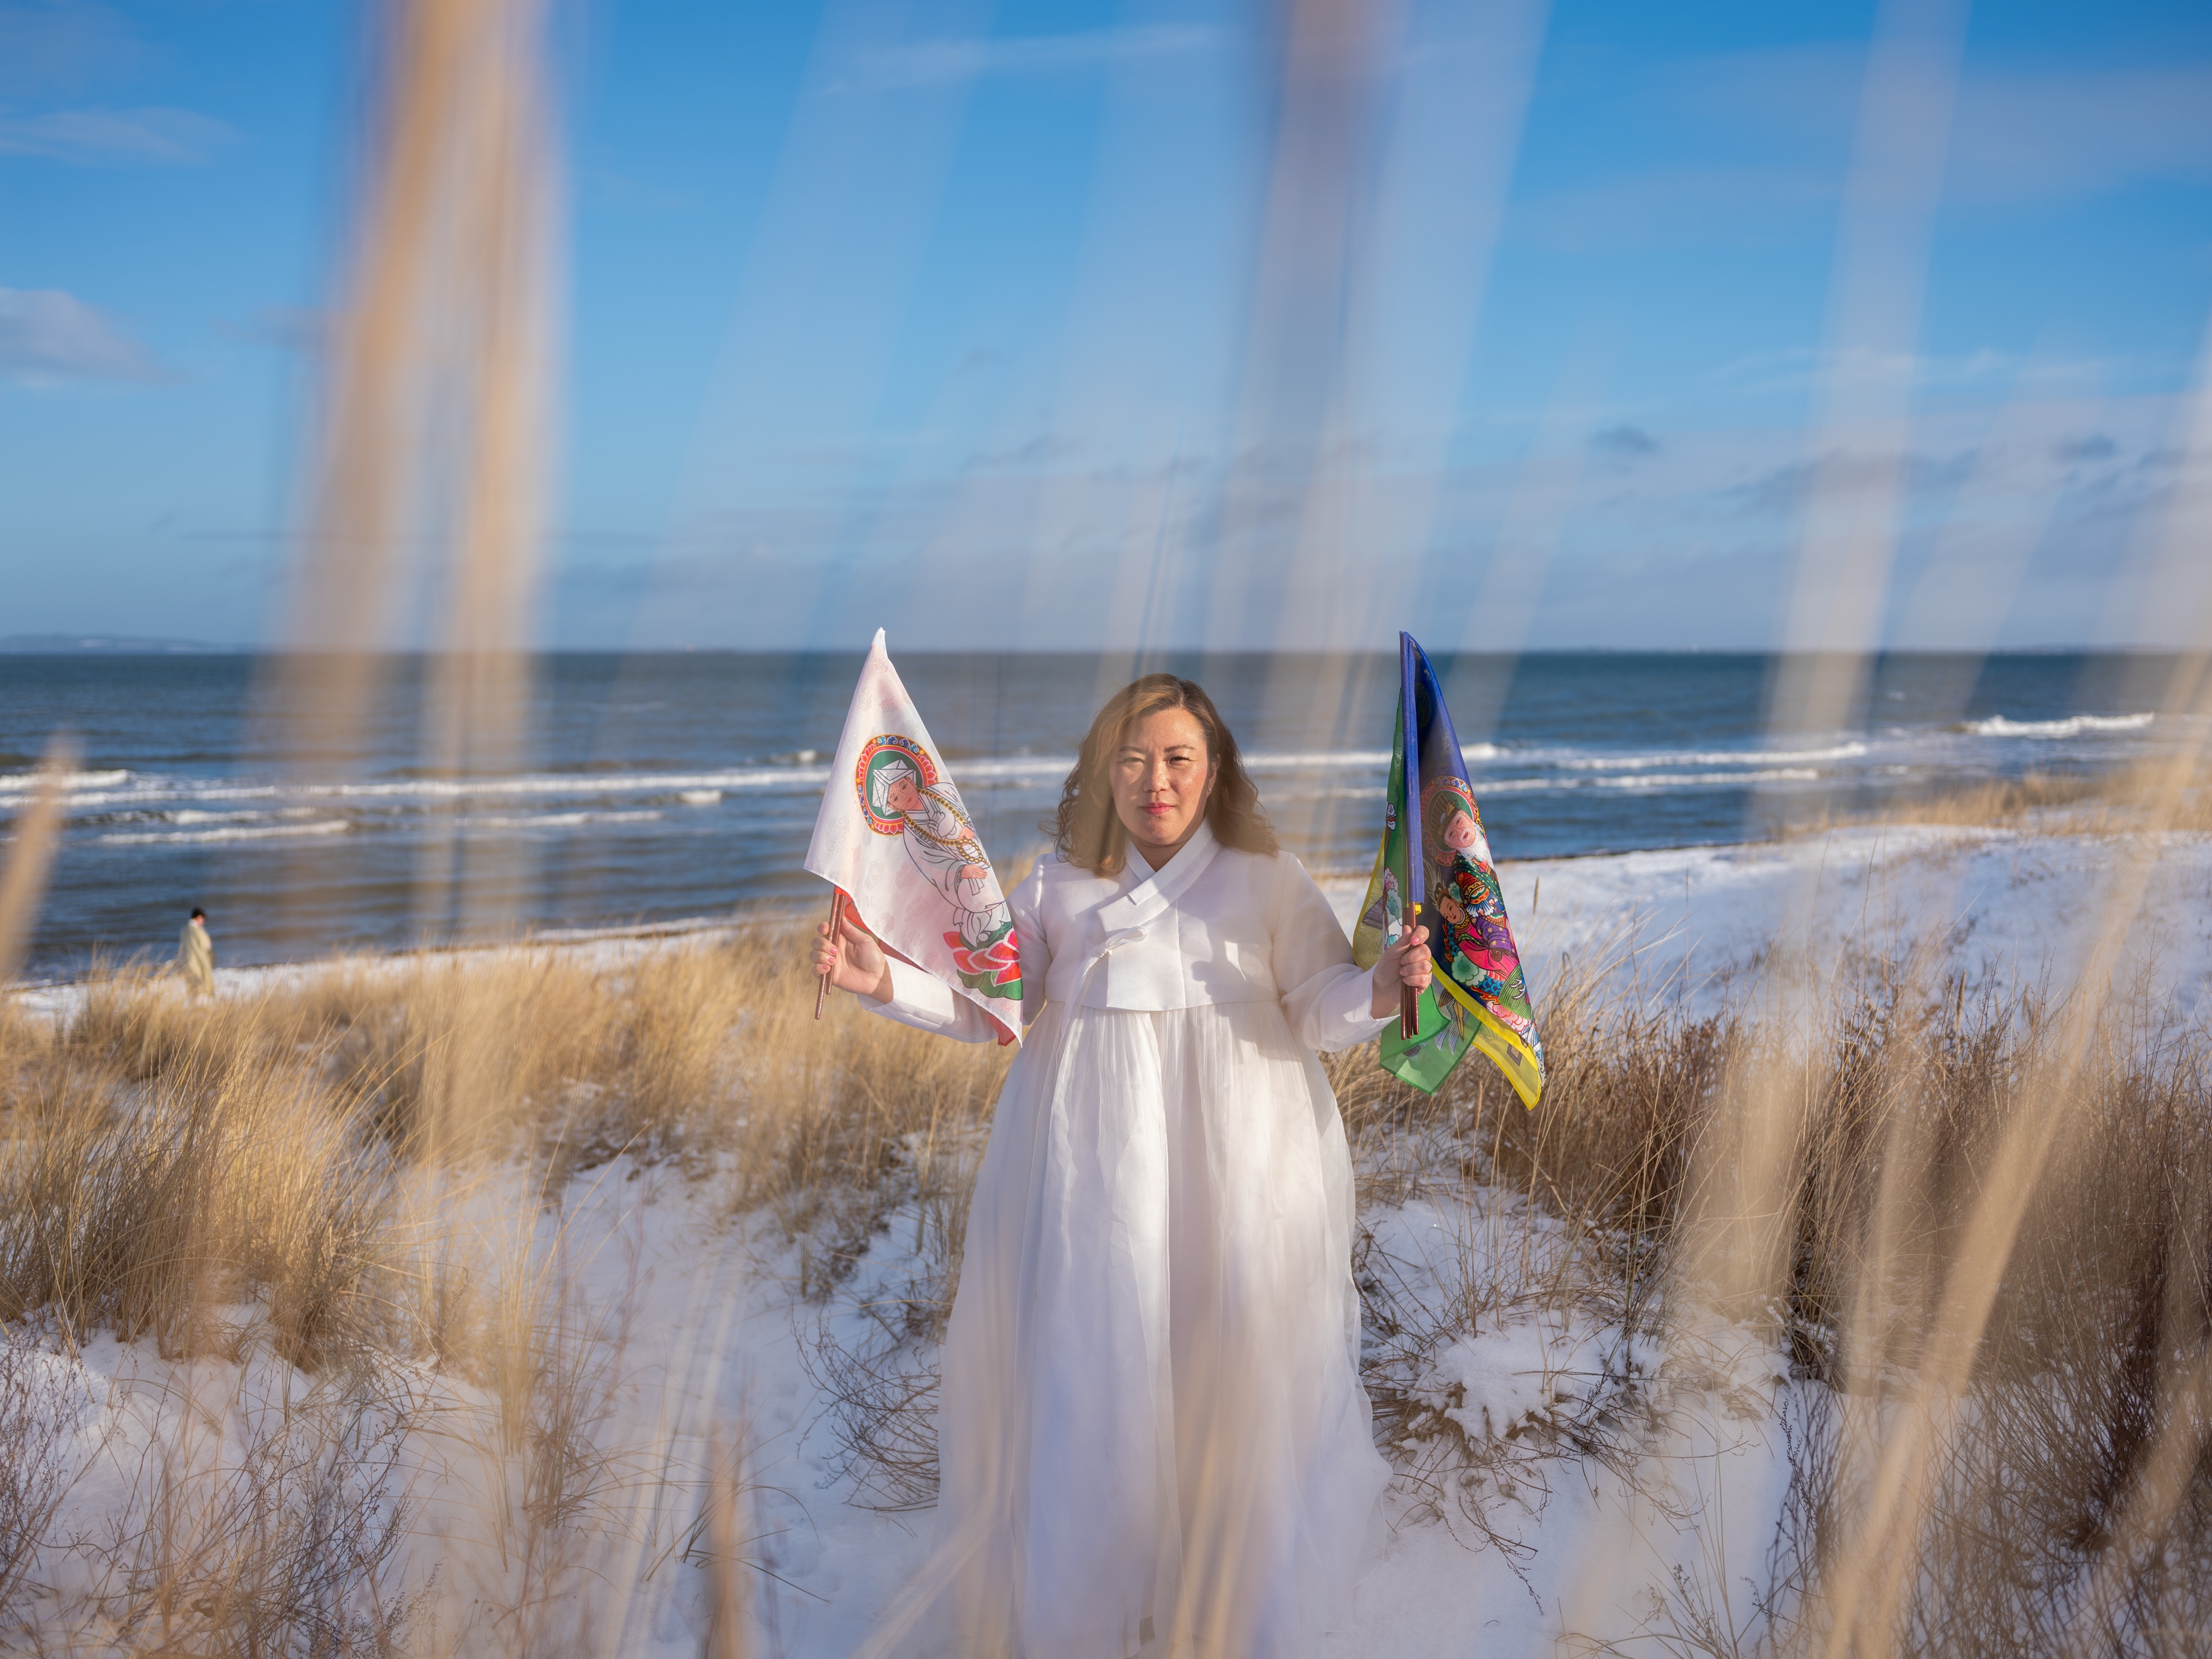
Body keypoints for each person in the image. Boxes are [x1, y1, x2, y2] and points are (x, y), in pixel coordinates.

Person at [815, 675, 1433, 1659]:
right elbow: (992, 1005)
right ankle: (1097, 1611)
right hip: (1093, 1165)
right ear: (1106, 771)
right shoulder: (1059, 882)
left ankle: (1231, 1606)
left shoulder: (1268, 879)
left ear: (1214, 769)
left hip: (1242, 1161)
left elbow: (1321, 1003)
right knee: (1098, 1365)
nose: (1158, 779)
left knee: (1226, 1362)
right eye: (1136, 758)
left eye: (1180, 757)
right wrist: (878, 976)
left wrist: (1382, 984)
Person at [175, 906, 215, 997]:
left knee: (192, 988)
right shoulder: (197, 930)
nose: (203, 922)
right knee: (203, 986)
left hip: (185, 961)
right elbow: (206, 945)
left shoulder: (184, 929)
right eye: (203, 919)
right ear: (199, 917)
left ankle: (192, 1008)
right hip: (198, 961)